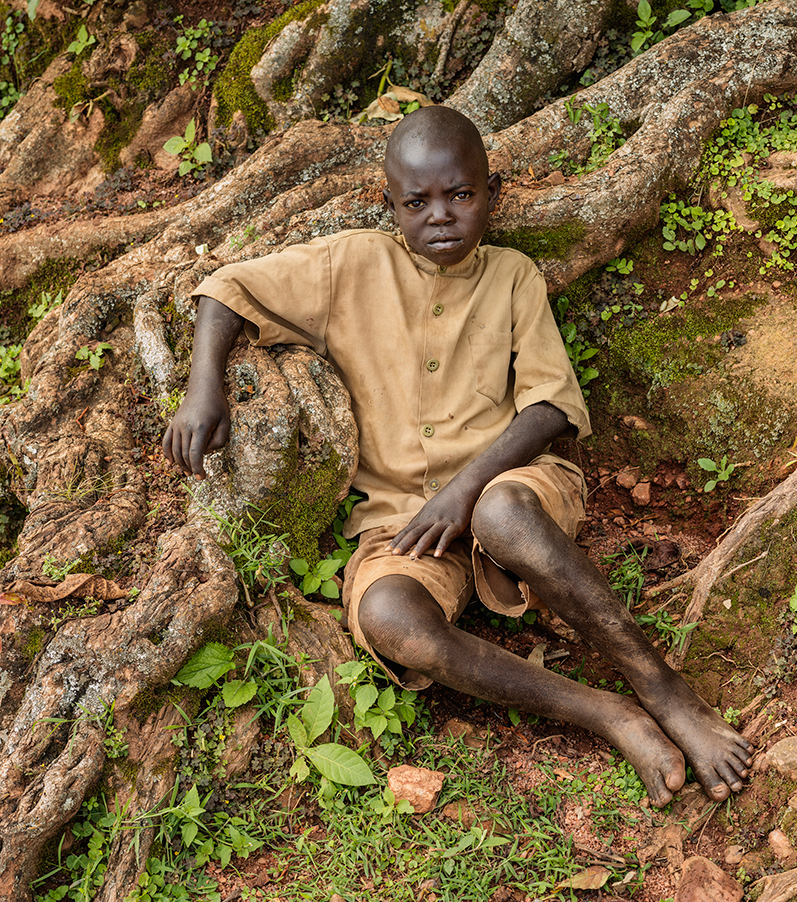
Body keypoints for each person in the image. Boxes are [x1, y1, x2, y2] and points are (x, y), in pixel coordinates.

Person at [162, 105, 753, 804]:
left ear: (493, 194)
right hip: (404, 525)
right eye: (418, 202)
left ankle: (665, 690)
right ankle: (605, 712)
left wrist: (465, 491)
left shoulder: (512, 276)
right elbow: (228, 288)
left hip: (514, 489)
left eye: (461, 195)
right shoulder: (351, 264)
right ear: (390, 205)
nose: (440, 216)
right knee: (387, 615)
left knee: (499, 513)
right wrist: (204, 390)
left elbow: (552, 407)